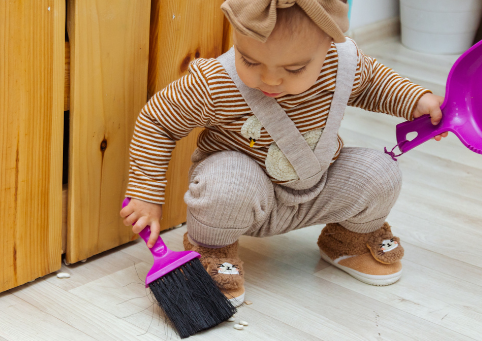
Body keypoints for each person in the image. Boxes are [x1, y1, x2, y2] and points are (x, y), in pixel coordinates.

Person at [119, 0, 447, 306]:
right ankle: (213, 251)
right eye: (250, 60)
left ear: (329, 45)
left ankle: (347, 242)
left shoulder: (343, 63)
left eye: (294, 68)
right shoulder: (215, 83)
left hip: (318, 188)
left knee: (382, 170)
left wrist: (418, 102)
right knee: (227, 180)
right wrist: (146, 192)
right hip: (244, 198)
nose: (270, 79)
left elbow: (376, 83)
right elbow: (157, 120)